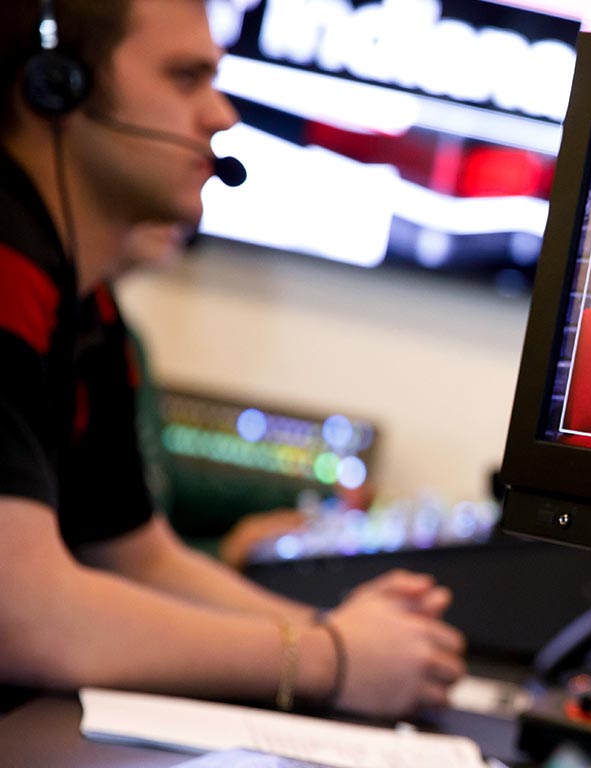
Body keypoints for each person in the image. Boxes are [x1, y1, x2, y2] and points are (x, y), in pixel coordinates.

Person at [0, 0, 463, 718]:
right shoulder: (8, 275)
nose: (222, 115)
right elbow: (27, 617)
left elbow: (136, 556)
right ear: (55, 85)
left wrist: (346, 637)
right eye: (186, 77)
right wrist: (332, 658)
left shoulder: (82, 306)